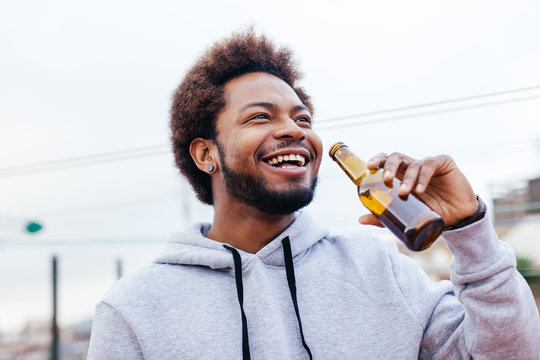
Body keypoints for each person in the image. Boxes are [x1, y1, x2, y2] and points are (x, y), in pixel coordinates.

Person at [87, 29, 540, 359]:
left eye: (302, 119)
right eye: (260, 117)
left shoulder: (379, 268)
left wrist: (469, 229)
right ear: (207, 154)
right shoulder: (134, 310)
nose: (293, 130)